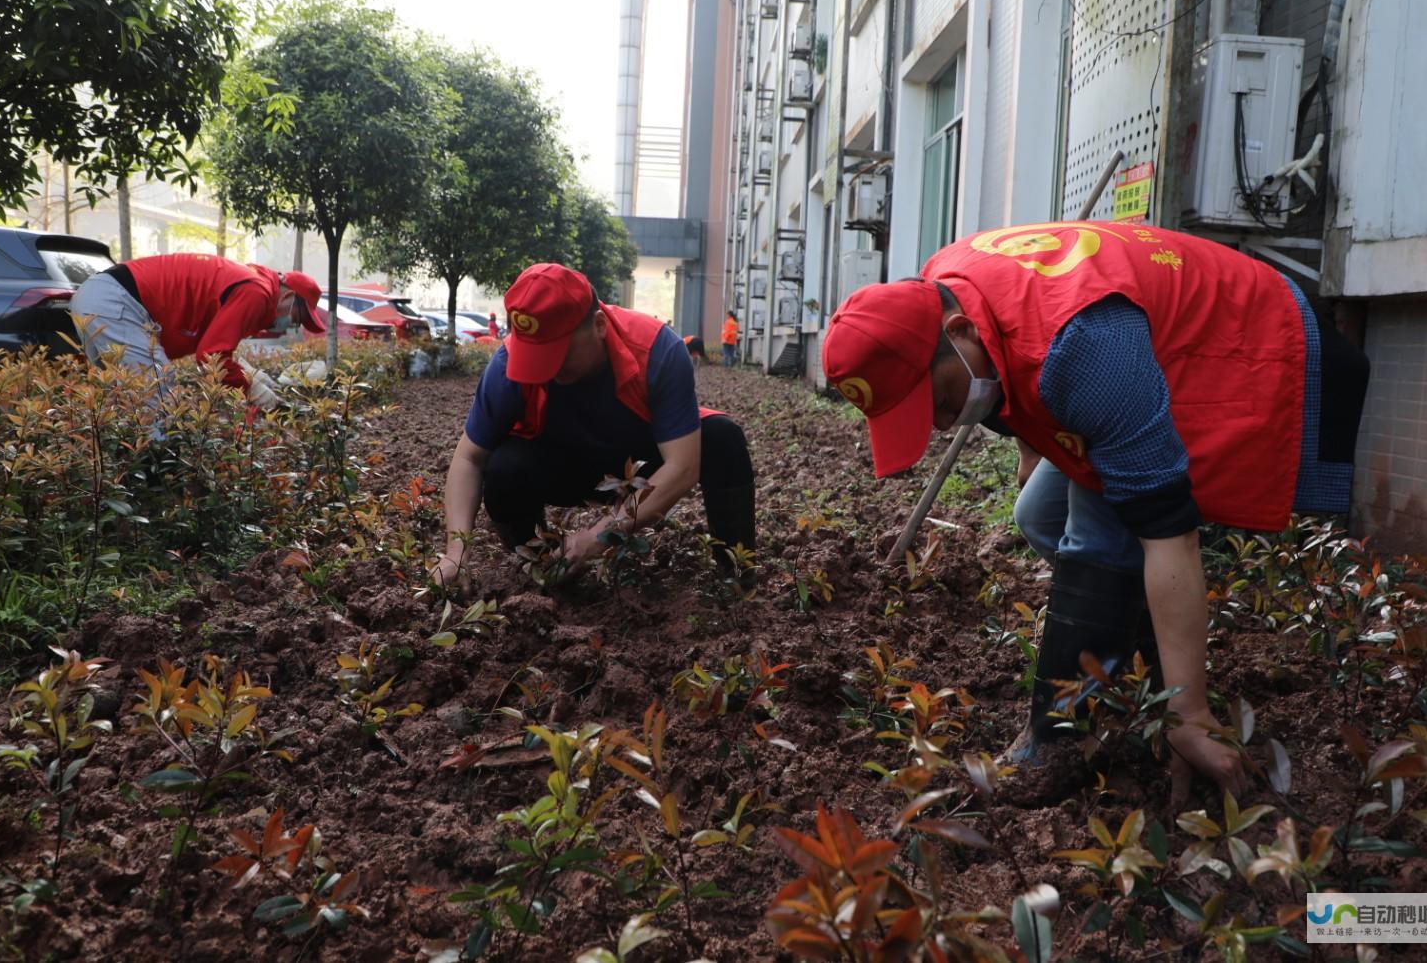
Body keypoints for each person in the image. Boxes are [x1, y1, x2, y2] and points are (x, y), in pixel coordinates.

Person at [821, 221, 1368, 804]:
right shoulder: (947, 284)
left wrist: (1188, 712)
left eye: (939, 401)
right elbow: (1009, 361)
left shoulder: (1081, 353)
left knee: (1106, 533)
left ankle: (1060, 736)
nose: (938, 424)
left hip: (1261, 348)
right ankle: (1138, 678)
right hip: (1136, 349)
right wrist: (1034, 444)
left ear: (958, 332)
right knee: (1040, 515)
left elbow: (1168, 536)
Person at [430, 263, 756, 588]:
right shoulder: (506, 368)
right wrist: (456, 553)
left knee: (721, 438)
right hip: (561, 467)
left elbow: (683, 467)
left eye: (559, 354)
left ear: (599, 325)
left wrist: (600, 534)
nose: (547, 371)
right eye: (536, 357)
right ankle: (543, 570)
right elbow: (468, 459)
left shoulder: (656, 349)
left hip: (639, 465)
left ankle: (736, 580)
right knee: (503, 468)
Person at [70, 253, 324, 409]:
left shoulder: (250, 282)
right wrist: (253, 390)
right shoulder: (256, 292)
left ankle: (124, 485)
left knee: (122, 399)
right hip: (118, 300)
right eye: (295, 318)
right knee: (155, 391)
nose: (291, 325)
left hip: (101, 296)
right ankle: (161, 483)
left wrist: (251, 376)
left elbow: (213, 345)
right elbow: (211, 356)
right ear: (288, 296)